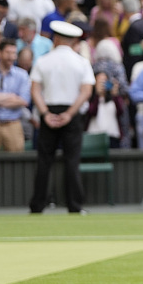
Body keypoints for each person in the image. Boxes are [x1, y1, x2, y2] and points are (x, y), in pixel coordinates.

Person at [28, 21, 94, 214]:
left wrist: (45, 113)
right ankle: (75, 206)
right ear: (74, 40)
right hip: (70, 115)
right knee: (72, 160)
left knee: (44, 161)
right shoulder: (81, 62)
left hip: (49, 112)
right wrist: (70, 113)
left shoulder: (43, 61)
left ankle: (37, 205)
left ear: (56, 39)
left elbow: (35, 90)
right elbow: (86, 91)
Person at [0, 40, 29, 151]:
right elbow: (17, 99)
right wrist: (11, 96)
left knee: (16, 162)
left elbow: (23, 100)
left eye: (14, 53)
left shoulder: (22, 75)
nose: (11, 57)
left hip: (13, 124)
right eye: (8, 52)